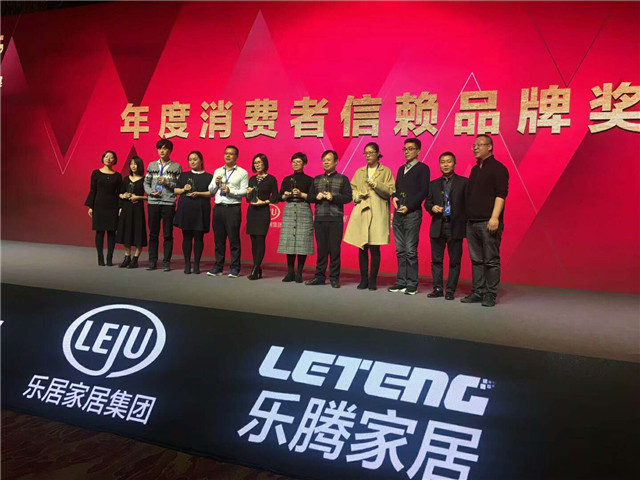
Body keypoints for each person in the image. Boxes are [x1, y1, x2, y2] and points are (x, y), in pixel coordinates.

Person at [461, 134, 509, 307]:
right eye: (474, 145)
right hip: (472, 222)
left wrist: (494, 217)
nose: (475, 148)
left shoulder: (498, 168)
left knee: (491, 260)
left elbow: (501, 195)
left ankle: (490, 294)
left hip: (488, 222)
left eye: (479, 145)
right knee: (476, 260)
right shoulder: (475, 169)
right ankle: (477, 291)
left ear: (489, 147)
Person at [344, 142, 395, 291]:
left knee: (375, 247)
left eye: (371, 152)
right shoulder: (360, 171)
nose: (368, 155)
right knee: (362, 246)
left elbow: (390, 191)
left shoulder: (386, 171)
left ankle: (373, 280)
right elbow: (352, 190)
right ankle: (363, 279)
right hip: (362, 210)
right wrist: (358, 195)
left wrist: (376, 184)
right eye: (366, 153)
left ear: (378, 153)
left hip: (378, 211)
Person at [388, 138, 430, 295]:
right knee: (400, 250)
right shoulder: (401, 169)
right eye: (405, 149)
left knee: (410, 250)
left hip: (412, 213)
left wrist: (409, 206)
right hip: (399, 213)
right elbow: (397, 189)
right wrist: (394, 197)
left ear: (418, 151)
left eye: (410, 149)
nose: (407, 151)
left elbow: (423, 191)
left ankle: (412, 283)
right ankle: (401, 281)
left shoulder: (423, 168)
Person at [305, 150, 352, 288]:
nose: (326, 162)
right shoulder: (317, 179)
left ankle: (334, 278)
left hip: (335, 219)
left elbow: (348, 197)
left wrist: (333, 197)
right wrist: (316, 197)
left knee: (335, 250)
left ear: (336, 162)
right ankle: (319, 276)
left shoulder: (343, 179)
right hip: (320, 218)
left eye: (329, 160)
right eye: (324, 160)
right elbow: (309, 197)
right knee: (321, 250)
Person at [425, 152, 468, 300]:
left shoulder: (464, 182)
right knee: (436, 260)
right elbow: (427, 202)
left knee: (454, 261)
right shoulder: (433, 184)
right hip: (438, 225)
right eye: (442, 162)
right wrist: (432, 208)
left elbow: (467, 204)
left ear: (455, 164)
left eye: (449, 161)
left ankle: (450, 290)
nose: (445, 164)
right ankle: (437, 288)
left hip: (455, 226)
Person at [207, 145, 248, 278]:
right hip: (218, 207)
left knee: (233, 239)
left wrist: (231, 191)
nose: (228, 156)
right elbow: (211, 190)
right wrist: (215, 182)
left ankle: (235, 267)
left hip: (232, 208)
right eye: (226, 153)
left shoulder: (242, 173)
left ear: (236, 156)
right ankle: (218, 266)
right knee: (219, 240)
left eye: (231, 154)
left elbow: (244, 191)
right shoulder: (218, 171)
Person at [143, 139, 182, 271]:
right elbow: (146, 182)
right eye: (160, 148)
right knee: (153, 233)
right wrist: (150, 192)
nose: (162, 151)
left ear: (170, 150)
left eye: (165, 148)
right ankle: (152, 261)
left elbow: (179, 186)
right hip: (153, 202)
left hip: (168, 203)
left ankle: (166, 262)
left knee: (167, 234)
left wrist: (167, 183)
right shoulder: (152, 165)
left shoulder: (176, 167)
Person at [173, 151, 213, 275]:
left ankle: (196, 264)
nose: (192, 161)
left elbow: (211, 193)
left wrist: (199, 193)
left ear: (201, 160)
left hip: (201, 209)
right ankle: (187, 263)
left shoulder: (208, 176)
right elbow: (175, 190)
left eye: (195, 159)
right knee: (186, 237)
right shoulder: (184, 175)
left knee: (199, 237)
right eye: (190, 159)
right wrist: (183, 189)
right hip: (186, 208)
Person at [278, 152, 314, 283]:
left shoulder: (310, 180)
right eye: (294, 162)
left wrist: (301, 194)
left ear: (304, 164)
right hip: (289, 208)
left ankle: (299, 272)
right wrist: (286, 195)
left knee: (302, 242)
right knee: (289, 242)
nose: (296, 164)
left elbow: (312, 197)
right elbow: (279, 197)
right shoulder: (287, 179)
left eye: (299, 162)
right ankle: (290, 272)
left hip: (303, 208)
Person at [85, 150, 122, 266]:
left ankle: (109, 258)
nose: (108, 159)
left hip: (113, 206)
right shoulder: (96, 173)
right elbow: (93, 190)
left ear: (114, 160)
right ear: (103, 158)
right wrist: (90, 206)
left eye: (111, 157)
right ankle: (100, 258)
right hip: (99, 205)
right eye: (106, 157)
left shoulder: (117, 176)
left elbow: (120, 193)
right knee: (99, 232)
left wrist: (120, 207)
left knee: (112, 233)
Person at [245, 153, 279, 280]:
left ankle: (255, 268)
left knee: (260, 239)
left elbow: (275, 197)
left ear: (265, 163)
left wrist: (264, 202)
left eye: (259, 162)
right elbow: (248, 199)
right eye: (255, 163)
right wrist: (248, 194)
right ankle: (257, 267)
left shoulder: (271, 179)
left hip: (263, 211)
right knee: (253, 240)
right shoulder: (252, 179)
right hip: (252, 211)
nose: (257, 165)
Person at [116, 156, 147, 269]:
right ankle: (127, 257)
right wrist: (123, 195)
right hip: (126, 209)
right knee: (126, 233)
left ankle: (135, 259)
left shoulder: (144, 180)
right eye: (131, 164)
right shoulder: (126, 179)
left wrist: (138, 197)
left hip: (138, 209)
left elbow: (150, 197)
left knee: (138, 233)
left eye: (135, 164)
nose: (133, 166)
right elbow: (120, 193)